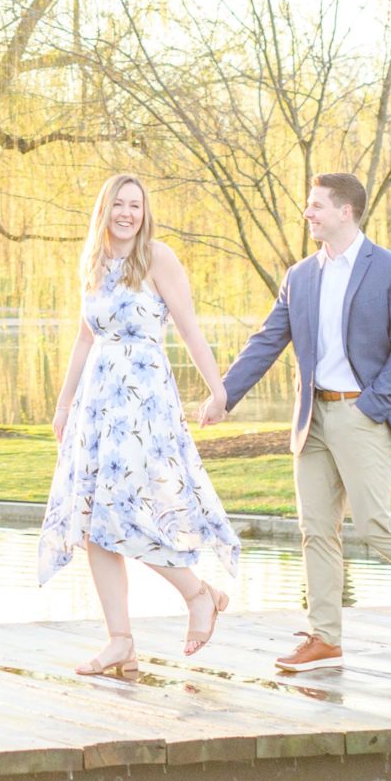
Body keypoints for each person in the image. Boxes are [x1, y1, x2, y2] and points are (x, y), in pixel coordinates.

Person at [201, 170, 391, 671]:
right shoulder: (300, 275)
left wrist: (371, 405)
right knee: (315, 528)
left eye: (316, 205)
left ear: (345, 211)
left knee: (373, 522)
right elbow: (267, 340)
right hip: (312, 417)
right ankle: (325, 638)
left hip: (363, 413)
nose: (308, 213)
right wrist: (224, 395)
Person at [40, 171, 239, 674]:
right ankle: (121, 640)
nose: (127, 213)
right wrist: (64, 405)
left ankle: (197, 593)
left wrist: (219, 390)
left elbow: (190, 329)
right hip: (96, 404)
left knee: (126, 509)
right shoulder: (92, 263)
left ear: (144, 212)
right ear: (103, 211)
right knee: (92, 521)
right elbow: (85, 340)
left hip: (143, 401)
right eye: (118, 205)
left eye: (136, 205)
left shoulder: (158, 258)